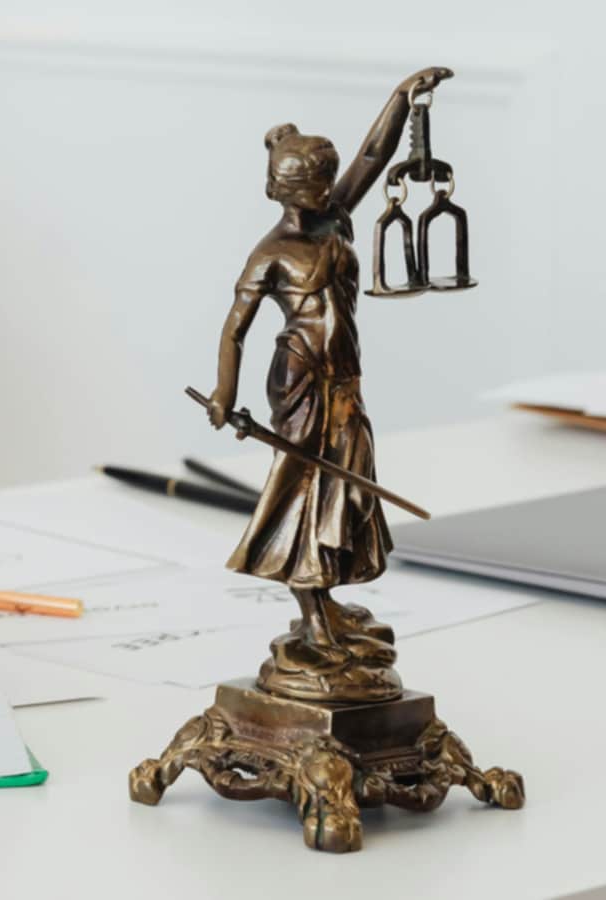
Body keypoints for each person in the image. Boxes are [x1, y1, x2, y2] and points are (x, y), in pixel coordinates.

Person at [204, 66, 452, 702]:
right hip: (300, 384)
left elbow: (375, 154)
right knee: (306, 495)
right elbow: (235, 329)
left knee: (344, 492)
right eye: (315, 183)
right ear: (285, 188)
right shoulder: (272, 251)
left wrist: (402, 97)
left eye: (326, 182)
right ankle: (314, 618)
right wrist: (223, 397)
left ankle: (328, 605)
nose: (326, 191)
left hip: (347, 380)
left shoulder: (336, 216)